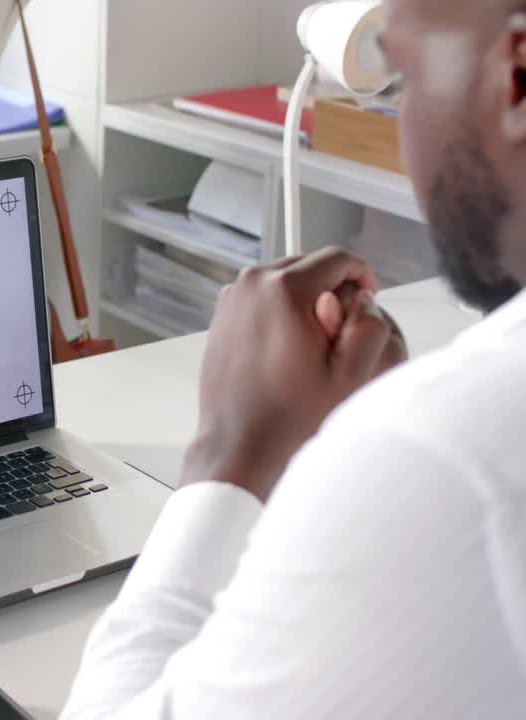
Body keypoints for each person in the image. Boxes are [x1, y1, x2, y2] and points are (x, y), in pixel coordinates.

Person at [62, 0, 526, 717]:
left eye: (402, 79)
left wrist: (232, 453)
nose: (406, 137)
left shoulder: (445, 459)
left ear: (517, 74)